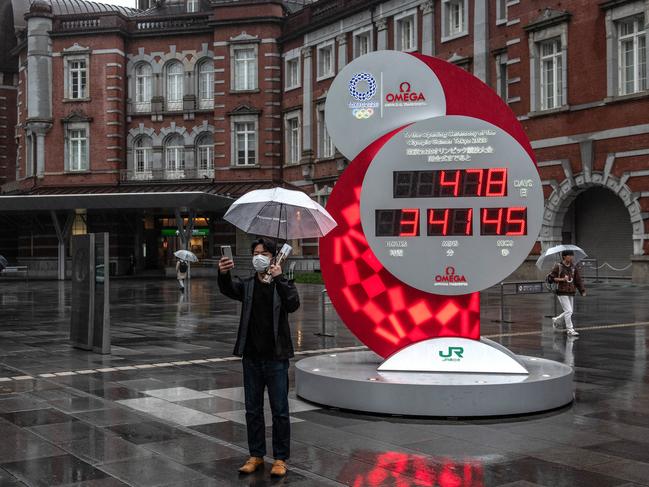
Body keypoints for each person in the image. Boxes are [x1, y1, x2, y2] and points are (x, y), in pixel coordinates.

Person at [217, 237, 300, 478]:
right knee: (252, 409)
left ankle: (280, 458)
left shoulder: (281, 283)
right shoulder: (249, 284)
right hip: (251, 358)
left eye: (263, 253)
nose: (258, 256)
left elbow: (293, 304)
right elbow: (229, 288)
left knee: (280, 410)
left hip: (275, 358)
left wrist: (279, 278)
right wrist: (223, 274)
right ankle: (256, 455)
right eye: (255, 252)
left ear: (274, 258)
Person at [548, 250, 586, 337]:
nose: (571, 257)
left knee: (569, 311)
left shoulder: (573, 267)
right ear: (564, 256)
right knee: (568, 311)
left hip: (571, 291)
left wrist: (582, 290)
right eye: (569, 255)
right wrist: (562, 279)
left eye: (572, 255)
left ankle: (556, 320)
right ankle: (570, 330)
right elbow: (551, 279)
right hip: (561, 291)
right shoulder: (558, 266)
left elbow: (578, 280)